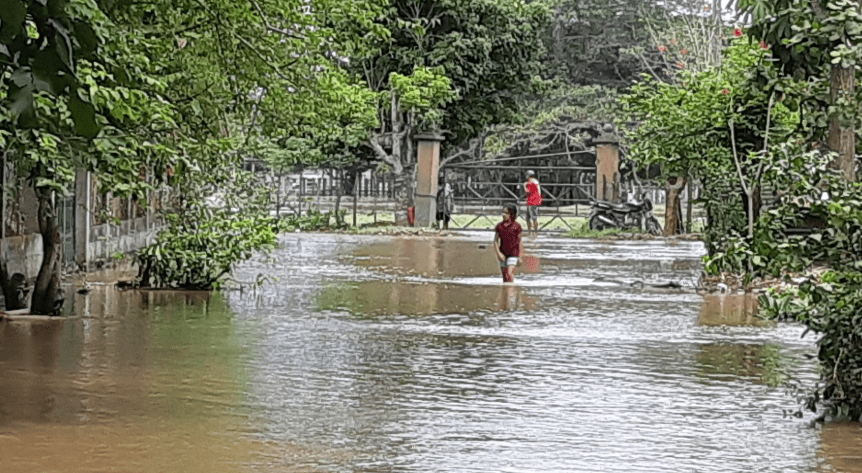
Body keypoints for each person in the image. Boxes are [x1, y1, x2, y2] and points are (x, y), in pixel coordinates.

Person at [494, 203, 522, 283]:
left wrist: (520, 256)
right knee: (505, 277)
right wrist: (498, 253)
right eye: (503, 212)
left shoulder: (517, 226)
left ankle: (511, 293)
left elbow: (520, 241)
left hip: (514, 253)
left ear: (512, 214)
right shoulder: (499, 226)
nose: (503, 214)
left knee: (510, 273)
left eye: (506, 213)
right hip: (503, 253)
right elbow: (495, 241)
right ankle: (507, 293)